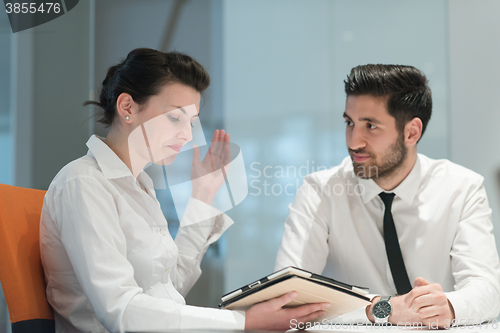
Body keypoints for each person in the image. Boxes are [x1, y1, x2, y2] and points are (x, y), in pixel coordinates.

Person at [40, 48, 329, 333]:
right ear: (127, 107)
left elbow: (169, 286)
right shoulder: (84, 183)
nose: (188, 135)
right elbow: (122, 311)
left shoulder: (139, 186)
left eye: (192, 123)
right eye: (175, 118)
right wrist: (246, 322)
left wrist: (203, 193)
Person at [275, 64, 500, 328]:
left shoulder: (462, 188)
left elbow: (487, 289)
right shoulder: (320, 191)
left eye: (370, 126)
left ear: (411, 132)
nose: (353, 141)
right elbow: (289, 294)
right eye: (350, 122)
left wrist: (449, 306)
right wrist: (379, 309)